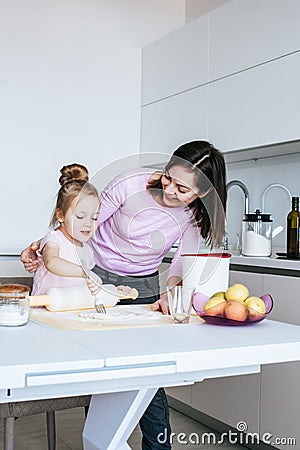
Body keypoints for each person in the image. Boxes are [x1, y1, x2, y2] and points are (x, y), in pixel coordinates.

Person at [21, 140, 227, 450]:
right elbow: (81, 221)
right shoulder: (132, 184)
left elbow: (181, 262)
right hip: (96, 275)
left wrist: (171, 294)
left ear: (204, 192)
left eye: (183, 188)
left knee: (148, 374)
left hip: (143, 284)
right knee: (100, 366)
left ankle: (158, 447)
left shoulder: (193, 215)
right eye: (169, 177)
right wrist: (42, 245)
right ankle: (101, 443)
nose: (170, 189)